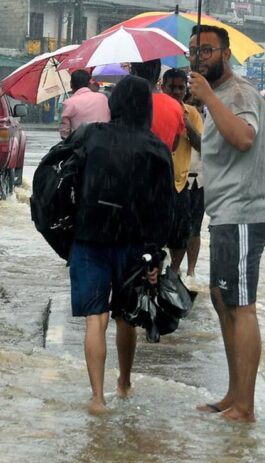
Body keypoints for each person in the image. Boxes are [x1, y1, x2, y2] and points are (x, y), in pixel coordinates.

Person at [66, 76, 176, 414]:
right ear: (146, 107)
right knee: (126, 318)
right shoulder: (156, 148)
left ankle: (97, 398)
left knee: (94, 319)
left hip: (88, 239)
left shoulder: (89, 137)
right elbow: (164, 209)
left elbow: (62, 179)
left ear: (113, 105)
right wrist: (155, 256)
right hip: (133, 245)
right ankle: (124, 383)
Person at [187, 24, 265, 423]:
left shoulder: (237, 93)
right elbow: (220, 149)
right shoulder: (217, 98)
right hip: (225, 213)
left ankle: (246, 405)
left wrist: (207, 98)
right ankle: (233, 393)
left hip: (244, 212)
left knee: (241, 305)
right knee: (223, 301)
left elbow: (243, 137)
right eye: (194, 51)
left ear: (226, 54)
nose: (199, 58)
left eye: (207, 50)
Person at [163, 67, 204, 284]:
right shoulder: (155, 109)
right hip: (158, 183)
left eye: (181, 88)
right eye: (173, 87)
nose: (177, 91)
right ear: (163, 87)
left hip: (186, 182)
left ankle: (181, 272)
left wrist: (185, 121)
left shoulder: (192, 113)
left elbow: (201, 145)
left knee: (187, 231)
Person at [129, 59, 184, 152]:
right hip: (163, 164)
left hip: (131, 164)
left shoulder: (126, 103)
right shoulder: (175, 106)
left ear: (133, 72)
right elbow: (174, 146)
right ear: (158, 74)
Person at [59, 69, 111, 139]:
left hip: (81, 145)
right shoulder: (103, 98)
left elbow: (64, 133)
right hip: (105, 141)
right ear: (89, 83)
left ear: (71, 84)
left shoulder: (69, 103)